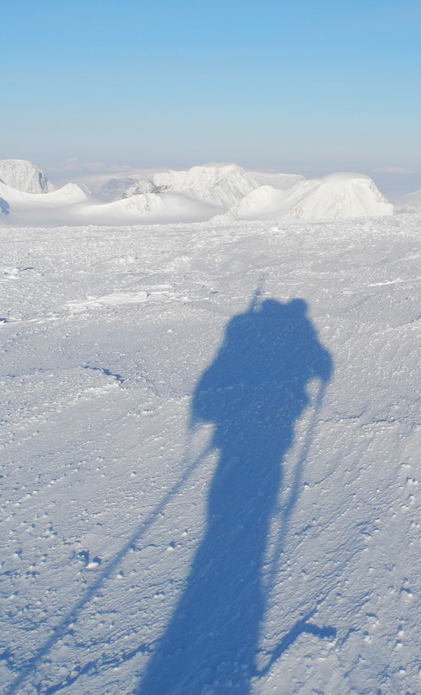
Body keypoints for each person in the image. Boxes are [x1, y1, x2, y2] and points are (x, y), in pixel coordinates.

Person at [138, 297, 331, 694]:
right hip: (267, 438)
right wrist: (321, 369)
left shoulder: (250, 332)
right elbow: (318, 359)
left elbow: (212, 391)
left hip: (241, 440)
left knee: (227, 508)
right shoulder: (287, 331)